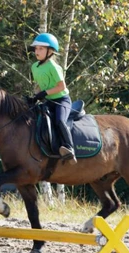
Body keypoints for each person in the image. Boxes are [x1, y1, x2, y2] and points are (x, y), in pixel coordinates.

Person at [30, 32, 77, 165]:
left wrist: (45, 93)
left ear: (50, 51)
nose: (37, 52)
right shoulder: (34, 67)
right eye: (36, 48)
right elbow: (39, 84)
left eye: (41, 49)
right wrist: (35, 96)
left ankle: (70, 149)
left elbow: (61, 86)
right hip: (48, 101)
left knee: (60, 121)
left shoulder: (54, 67)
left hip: (62, 100)